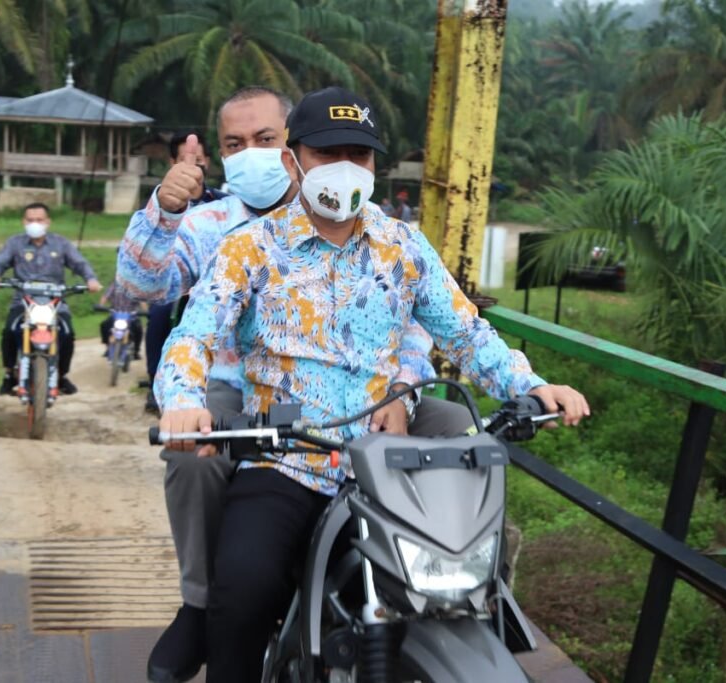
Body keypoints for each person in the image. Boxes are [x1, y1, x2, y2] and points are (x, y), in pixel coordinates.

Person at [155, 86, 590, 683]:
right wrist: (182, 402)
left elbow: (465, 332)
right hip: (289, 461)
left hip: (389, 467)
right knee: (241, 590)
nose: (344, 169)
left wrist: (533, 384)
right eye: (326, 154)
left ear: (375, 164)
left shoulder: (403, 247)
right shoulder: (250, 248)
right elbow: (194, 334)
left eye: (358, 156)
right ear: (294, 161)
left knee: (464, 587)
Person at [116, 85, 472, 683]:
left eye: (263, 137)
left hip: (372, 398)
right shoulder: (223, 231)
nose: (250, 152)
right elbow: (146, 295)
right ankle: (202, 605)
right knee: (201, 460)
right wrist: (165, 209)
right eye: (235, 144)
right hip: (247, 394)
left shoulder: (395, 240)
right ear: (296, 158)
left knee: (464, 432)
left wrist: (405, 391)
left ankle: (472, 586)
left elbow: (432, 322)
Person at [142, 131, 227, 414]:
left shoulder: (221, 201)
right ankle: (157, 382)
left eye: (200, 161)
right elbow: (147, 244)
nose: (194, 167)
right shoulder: (162, 200)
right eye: (186, 160)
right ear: (172, 162)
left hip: (216, 283)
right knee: (158, 314)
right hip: (176, 280)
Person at [0, 202, 102, 396]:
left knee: (67, 333)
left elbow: (79, 263)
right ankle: (9, 374)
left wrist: (90, 279)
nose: (35, 224)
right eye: (30, 220)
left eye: (39, 220)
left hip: (55, 302)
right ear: (24, 221)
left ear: (48, 222)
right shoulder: (15, 243)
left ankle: (61, 375)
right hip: (23, 301)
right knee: (10, 331)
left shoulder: (61, 244)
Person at [98, 281, 143, 359]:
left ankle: (136, 350)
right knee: (104, 325)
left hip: (131, 316)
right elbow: (105, 296)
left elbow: (142, 300)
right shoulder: (115, 285)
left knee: (138, 328)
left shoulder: (136, 287)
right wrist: (100, 306)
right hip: (115, 315)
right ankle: (108, 346)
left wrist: (145, 311)